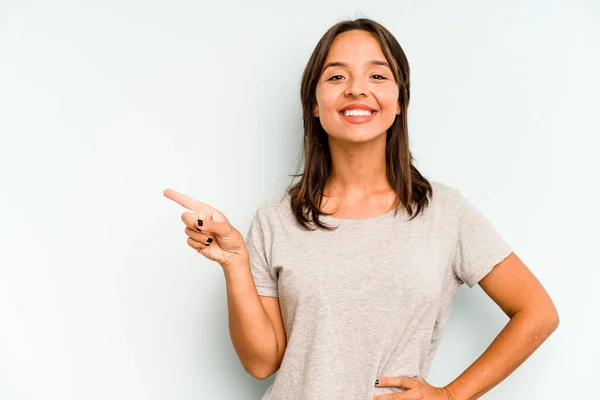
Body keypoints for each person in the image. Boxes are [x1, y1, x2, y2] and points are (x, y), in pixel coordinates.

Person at [164, 18, 559, 400]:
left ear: (399, 101)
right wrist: (234, 261)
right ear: (315, 105)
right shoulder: (275, 219)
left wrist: (452, 395)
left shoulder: (445, 213)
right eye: (336, 76)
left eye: (377, 75)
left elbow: (537, 313)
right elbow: (261, 362)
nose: (356, 89)